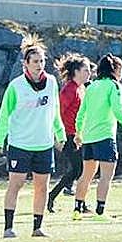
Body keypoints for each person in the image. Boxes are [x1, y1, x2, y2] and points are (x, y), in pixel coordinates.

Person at [0, 37, 65, 238]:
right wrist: (0, 139)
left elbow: (55, 110)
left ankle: (37, 227)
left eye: (42, 61)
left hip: (43, 144)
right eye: (35, 61)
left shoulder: (51, 82)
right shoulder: (16, 86)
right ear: (25, 63)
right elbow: (4, 114)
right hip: (20, 144)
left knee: (41, 186)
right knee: (15, 185)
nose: (39, 65)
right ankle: (8, 227)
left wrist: (59, 134)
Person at [72, 54, 122, 220]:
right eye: (121, 70)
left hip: (88, 137)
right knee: (106, 175)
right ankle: (100, 211)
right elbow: (118, 110)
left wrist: (78, 133)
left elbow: (81, 113)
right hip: (104, 137)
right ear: (115, 70)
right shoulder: (113, 86)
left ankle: (77, 210)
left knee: (86, 175)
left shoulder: (92, 86)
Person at [48, 53, 90, 213]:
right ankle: (54, 197)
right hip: (67, 135)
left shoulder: (81, 89)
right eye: (85, 70)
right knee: (79, 169)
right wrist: (57, 136)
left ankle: (57, 197)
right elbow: (57, 111)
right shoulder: (69, 90)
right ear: (77, 71)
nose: (89, 73)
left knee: (79, 170)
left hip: (77, 135)